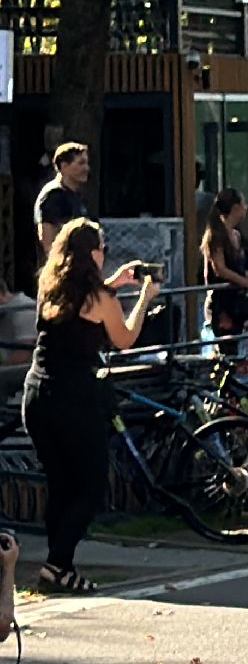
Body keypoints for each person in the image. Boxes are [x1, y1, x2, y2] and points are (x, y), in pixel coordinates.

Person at [25, 220, 159, 591]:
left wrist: (113, 282)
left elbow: (79, 310)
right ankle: (57, 565)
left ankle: (61, 566)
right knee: (91, 485)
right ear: (93, 254)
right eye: (101, 248)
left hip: (38, 394)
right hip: (75, 400)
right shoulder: (100, 299)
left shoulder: (51, 287)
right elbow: (124, 338)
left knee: (61, 483)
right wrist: (144, 298)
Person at [35, 143, 89, 262]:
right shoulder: (54, 195)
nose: (86, 168)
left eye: (86, 163)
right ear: (64, 166)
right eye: (81, 163)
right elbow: (47, 238)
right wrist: (57, 265)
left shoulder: (76, 196)